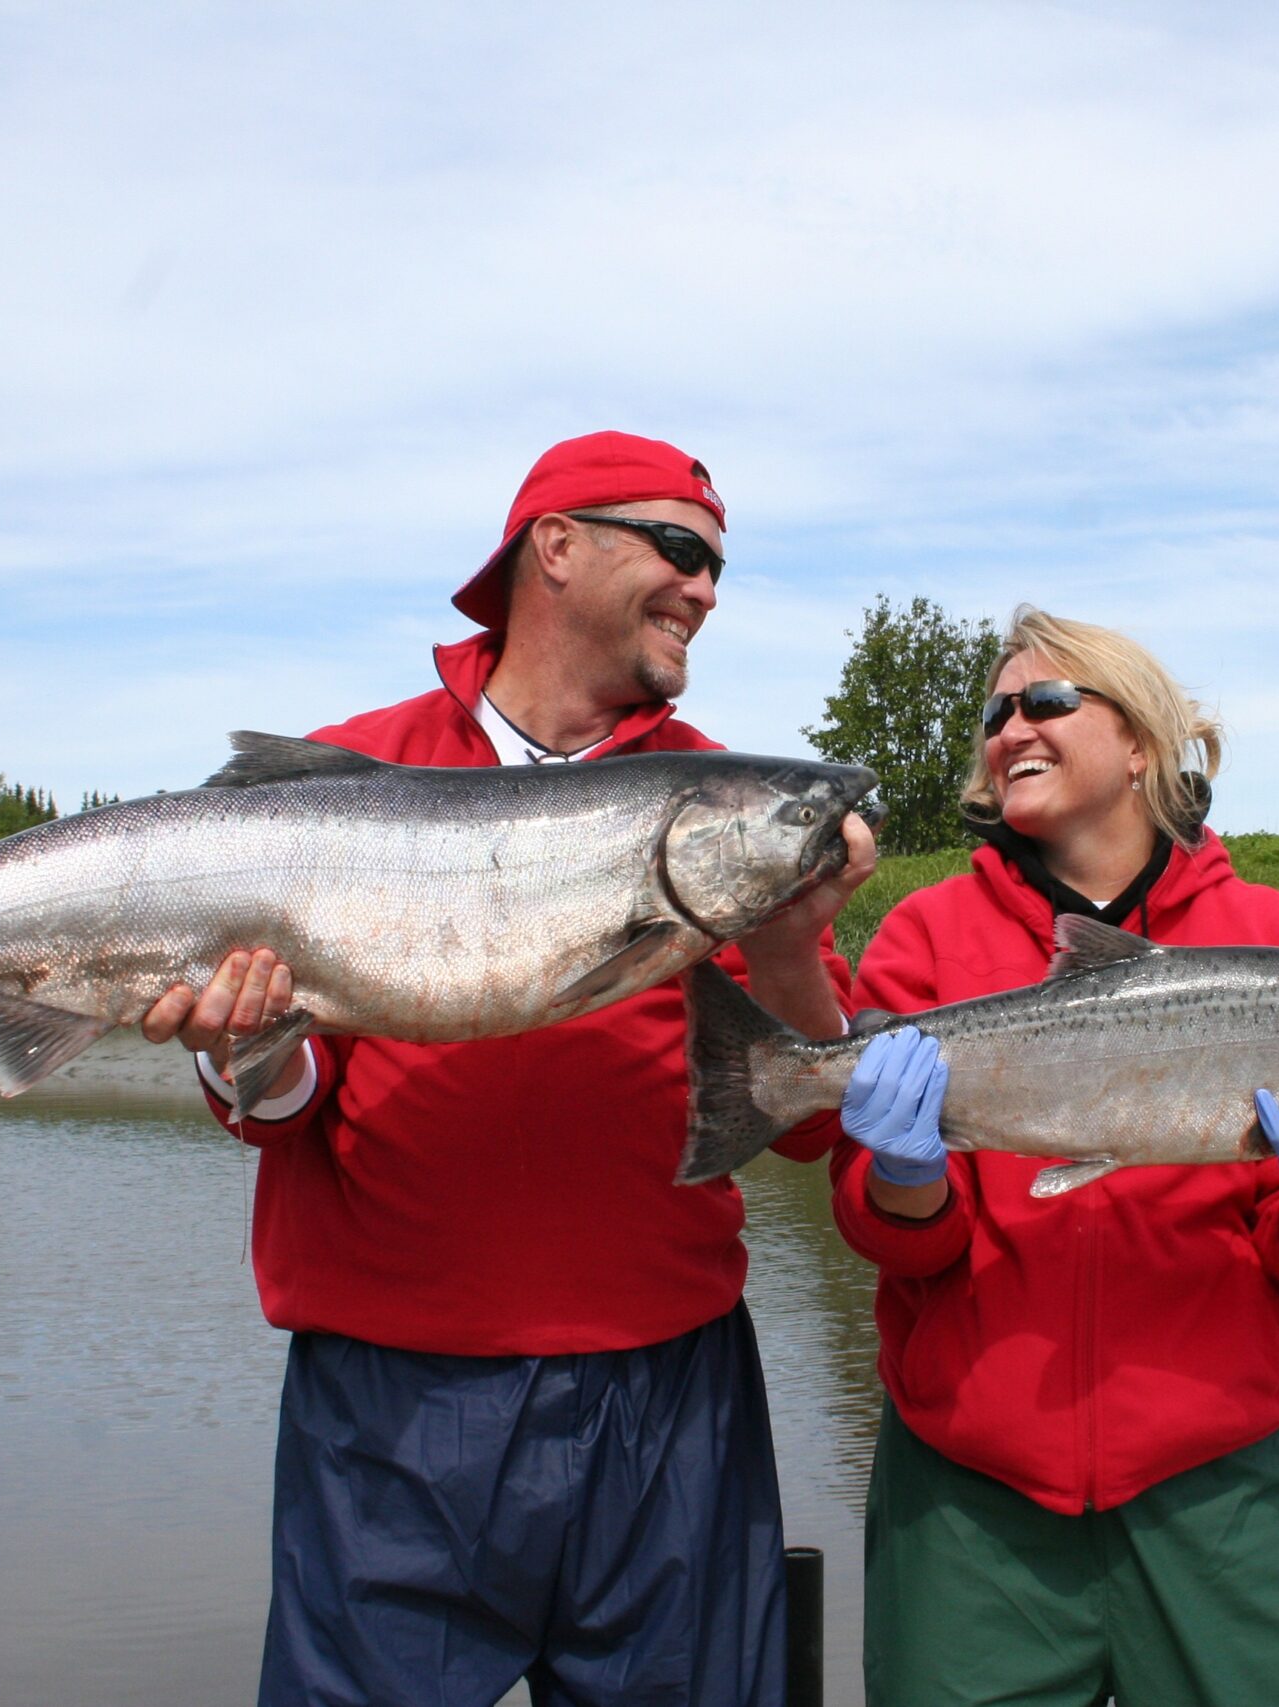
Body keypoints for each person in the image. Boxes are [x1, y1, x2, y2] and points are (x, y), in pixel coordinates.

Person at [139, 432, 873, 1707]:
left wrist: (789, 944)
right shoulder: (346, 776)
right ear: (558, 546)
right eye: (680, 549)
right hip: (390, 1408)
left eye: (717, 567)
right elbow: (286, 1111)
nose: (705, 589)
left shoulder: (724, 806)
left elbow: (808, 1128)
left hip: (668, 1392)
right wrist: (243, 1044)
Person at [827, 606, 1279, 1706]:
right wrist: (903, 1174)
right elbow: (893, 1239)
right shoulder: (927, 935)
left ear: (1138, 740)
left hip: (1226, 1491)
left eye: (1044, 701)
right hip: (969, 1501)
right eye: (996, 714)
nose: (1010, 730)